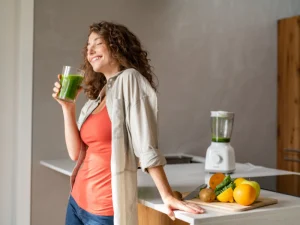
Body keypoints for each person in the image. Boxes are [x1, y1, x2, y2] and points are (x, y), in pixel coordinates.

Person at [52, 21, 204, 225]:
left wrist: (167, 195)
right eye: (88, 46)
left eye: (97, 43)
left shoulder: (130, 80)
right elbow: (75, 153)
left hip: (104, 211)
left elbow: (146, 144)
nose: (90, 49)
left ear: (116, 46)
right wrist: (67, 107)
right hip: (76, 203)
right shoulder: (97, 98)